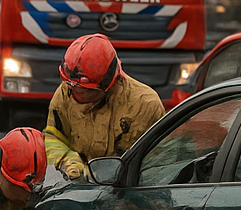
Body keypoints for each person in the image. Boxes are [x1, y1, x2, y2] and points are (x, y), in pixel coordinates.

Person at [45, 33, 165, 179]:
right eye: (71, 86)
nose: (75, 93)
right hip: (79, 187)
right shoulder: (65, 92)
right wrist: (68, 161)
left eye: (84, 90)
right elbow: (52, 136)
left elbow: (159, 164)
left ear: (106, 84)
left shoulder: (144, 105)